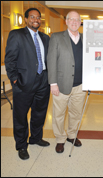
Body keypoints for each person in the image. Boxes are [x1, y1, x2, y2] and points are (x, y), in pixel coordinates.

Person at [4, 8, 50, 160]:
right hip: (23, 82)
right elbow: (10, 59)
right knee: (20, 116)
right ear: (25, 19)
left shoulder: (45, 37)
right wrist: (14, 79)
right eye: (32, 17)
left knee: (39, 113)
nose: (35, 19)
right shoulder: (16, 35)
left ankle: (36, 138)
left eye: (38, 17)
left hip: (43, 80)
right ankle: (22, 146)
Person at [47, 11, 86, 153]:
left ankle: (71, 135)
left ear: (80, 22)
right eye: (71, 19)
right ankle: (60, 139)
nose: (74, 22)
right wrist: (53, 83)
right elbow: (51, 61)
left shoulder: (86, 39)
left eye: (77, 19)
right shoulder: (56, 37)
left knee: (76, 113)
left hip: (81, 85)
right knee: (58, 114)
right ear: (66, 21)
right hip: (61, 84)